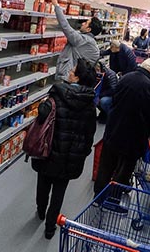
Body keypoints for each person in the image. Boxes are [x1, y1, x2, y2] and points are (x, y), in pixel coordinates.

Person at [31, 58, 99, 239]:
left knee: (43, 183)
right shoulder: (90, 105)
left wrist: (43, 104)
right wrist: (83, 153)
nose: (69, 71)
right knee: (59, 191)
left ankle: (40, 211)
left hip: (49, 151)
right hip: (71, 157)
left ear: (77, 78)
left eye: (73, 70)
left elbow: (42, 117)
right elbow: (89, 133)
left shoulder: (56, 94)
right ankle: (50, 228)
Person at [94, 57, 150, 196]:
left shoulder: (126, 78)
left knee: (106, 166)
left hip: (113, 130)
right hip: (133, 138)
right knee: (123, 171)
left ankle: (98, 196)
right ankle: (113, 199)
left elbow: (114, 100)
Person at [48, 0, 102, 82]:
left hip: (69, 78)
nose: (83, 23)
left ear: (89, 29)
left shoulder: (83, 40)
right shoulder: (90, 42)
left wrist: (56, 4)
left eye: (86, 23)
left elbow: (65, 26)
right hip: (75, 79)